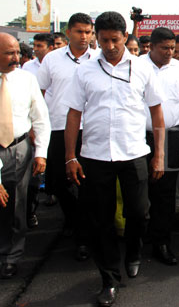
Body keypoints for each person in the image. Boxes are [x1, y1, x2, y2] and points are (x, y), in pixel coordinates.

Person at [63, 11, 165, 307]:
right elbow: (73, 114)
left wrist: (159, 154)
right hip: (94, 156)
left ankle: (133, 252)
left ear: (125, 37)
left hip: (133, 153)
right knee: (101, 220)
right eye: (103, 39)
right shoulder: (84, 70)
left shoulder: (142, 68)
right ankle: (109, 278)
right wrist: (70, 156)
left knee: (138, 212)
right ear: (96, 36)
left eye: (115, 40)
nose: (109, 46)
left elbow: (157, 112)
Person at [37, 13, 99, 261]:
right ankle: (72, 220)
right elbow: (39, 93)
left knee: (87, 185)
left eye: (88, 32)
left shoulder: (99, 58)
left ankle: (83, 235)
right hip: (58, 129)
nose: (84, 37)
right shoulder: (52, 59)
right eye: (79, 32)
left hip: (90, 129)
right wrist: (36, 126)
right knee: (60, 183)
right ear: (68, 32)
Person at [141, 27, 179, 266]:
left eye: (172, 48)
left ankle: (162, 241)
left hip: (173, 135)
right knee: (139, 189)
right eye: (164, 48)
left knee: (165, 192)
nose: (169, 53)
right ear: (152, 47)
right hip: (139, 136)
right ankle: (139, 236)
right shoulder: (136, 67)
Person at [0, 32, 50, 279]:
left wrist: (41, 154)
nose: (17, 58)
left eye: (18, 52)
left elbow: (41, 119)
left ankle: (11, 257)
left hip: (19, 149)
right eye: (10, 53)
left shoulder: (26, 80)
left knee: (16, 206)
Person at [22, 32, 55, 228]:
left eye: (40, 45)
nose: (36, 48)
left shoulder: (56, 63)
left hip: (56, 122)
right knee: (32, 175)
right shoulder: (27, 68)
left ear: (50, 47)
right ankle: (29, 212)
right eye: (34, 45)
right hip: (34, 125)